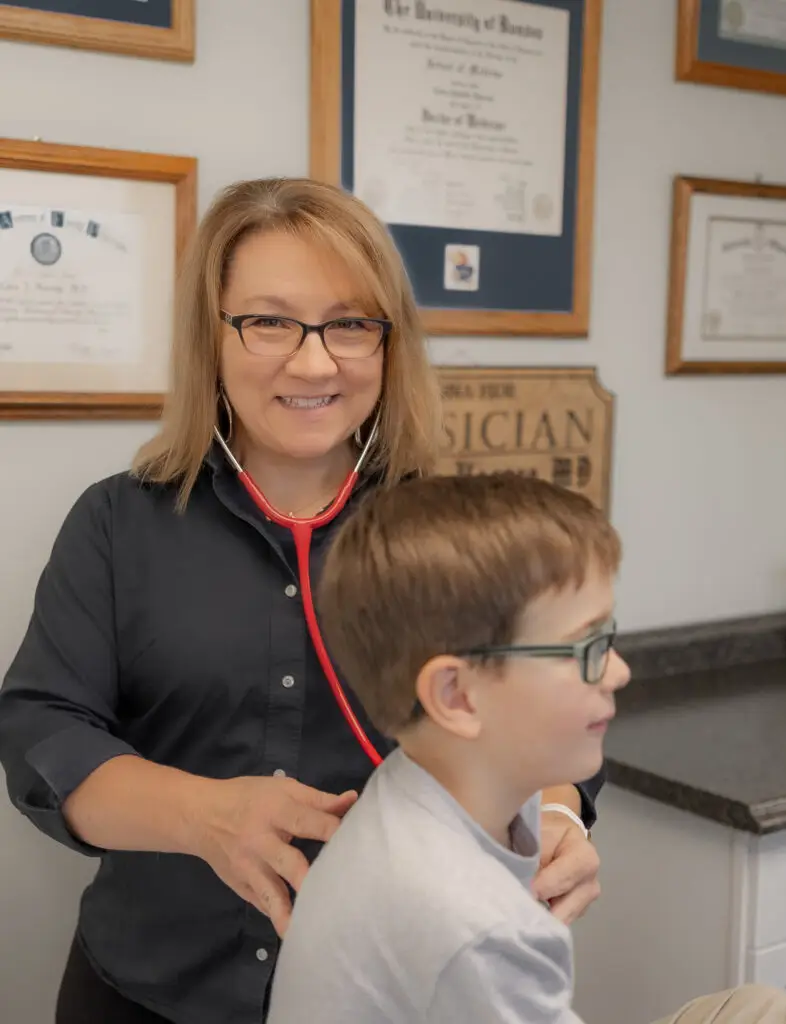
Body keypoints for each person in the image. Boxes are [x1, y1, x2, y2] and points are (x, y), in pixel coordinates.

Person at [0, 178, 601, 1024]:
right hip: (147, 994)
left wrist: (558, 818)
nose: (315, 361)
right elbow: (42, 735)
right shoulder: (116, 523)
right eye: (270, 321)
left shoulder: (449, 534)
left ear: (389, 344)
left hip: (386, 988)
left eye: (351, 323)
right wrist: (203, 815)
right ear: (211, 337)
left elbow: (544, 701)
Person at [266, 471, 786, 1024]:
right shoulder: (479, 929)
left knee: (765, 1008)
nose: (618, 672)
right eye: (587, 647)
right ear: (458, 695)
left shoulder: (424, 782)